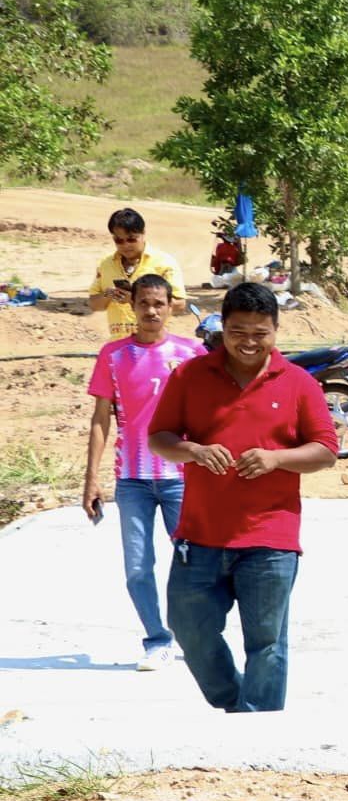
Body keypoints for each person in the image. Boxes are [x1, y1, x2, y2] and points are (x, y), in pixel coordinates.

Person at [147, 282, 337, 712]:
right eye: (239, 332)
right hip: (201, 534)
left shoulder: (298, 384)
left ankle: (260, 736)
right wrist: (193, 450)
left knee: (267, 642)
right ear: (223, 328)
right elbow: (159, 437)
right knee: (187, 626)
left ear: (275, 330)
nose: (249, 342)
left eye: (260, 332)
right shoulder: (190, 376)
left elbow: (326, 450)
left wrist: (277, 459)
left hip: (270, 537)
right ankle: (237, 705)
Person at [81, 274, 209, 671]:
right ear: (131, 306)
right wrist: (91, 479)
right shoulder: (113, 355)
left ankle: (198, 635)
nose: (151, 311)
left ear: (171, 305)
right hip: (132, 480)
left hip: (181, 478)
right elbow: (101, 419)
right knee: (137, 567)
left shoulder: (192, 353)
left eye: (159, 303)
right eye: (144, 303)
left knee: (193, 562)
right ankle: (157, 639)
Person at [86, 208, 185, 340]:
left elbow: (179, 304)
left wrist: (136, 300)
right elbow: (94, 305)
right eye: (119, 241)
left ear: (143, 233)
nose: (126, 245)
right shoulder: (106, 264)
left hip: (154, 343)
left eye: (131, 239)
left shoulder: (164, 263)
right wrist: (109, 294)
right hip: (118, 344)